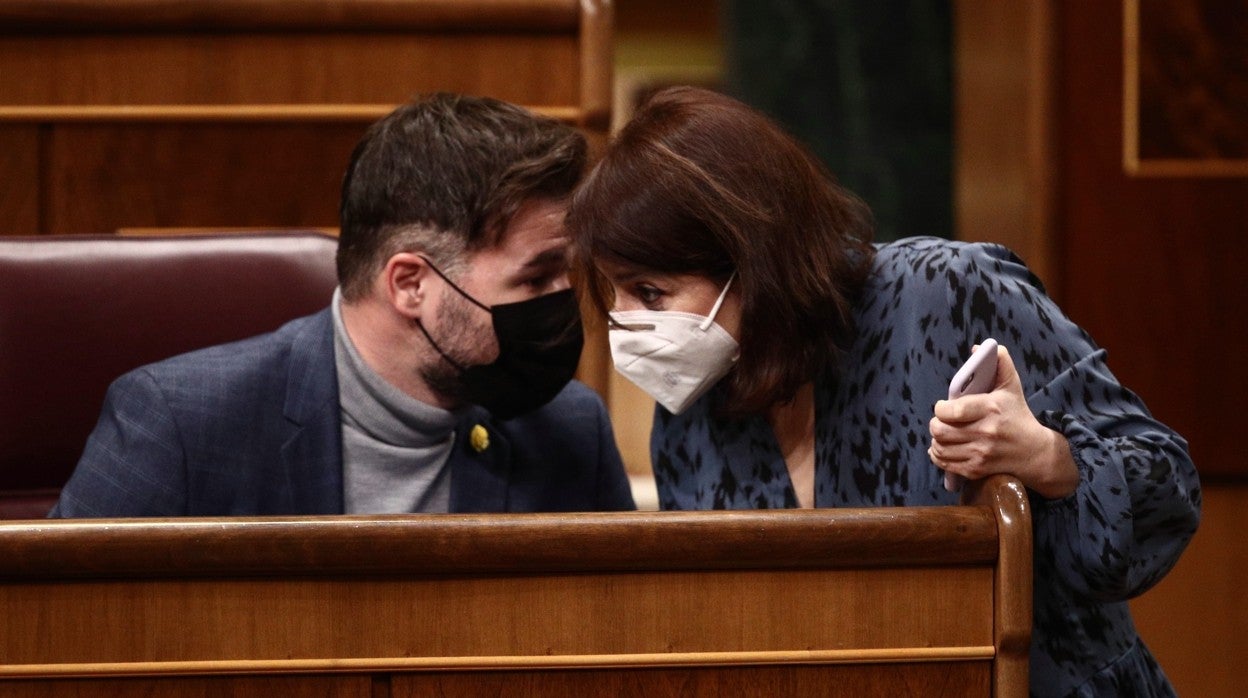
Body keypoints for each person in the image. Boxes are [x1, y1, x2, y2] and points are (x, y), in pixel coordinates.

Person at [567, 86, 1199, 696]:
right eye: (615, 292)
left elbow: (1167, 487)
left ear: (750, 260)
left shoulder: (945, 292)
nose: (626, 322)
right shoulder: (690, 413)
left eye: (649, 293)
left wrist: (1048, 458)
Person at [51, 93, 635, 517]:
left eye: (567, 274)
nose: (564, 302)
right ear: (410, 284)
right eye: (535, 280)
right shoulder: (180, 425)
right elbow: (54, 640)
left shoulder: (569, 430)